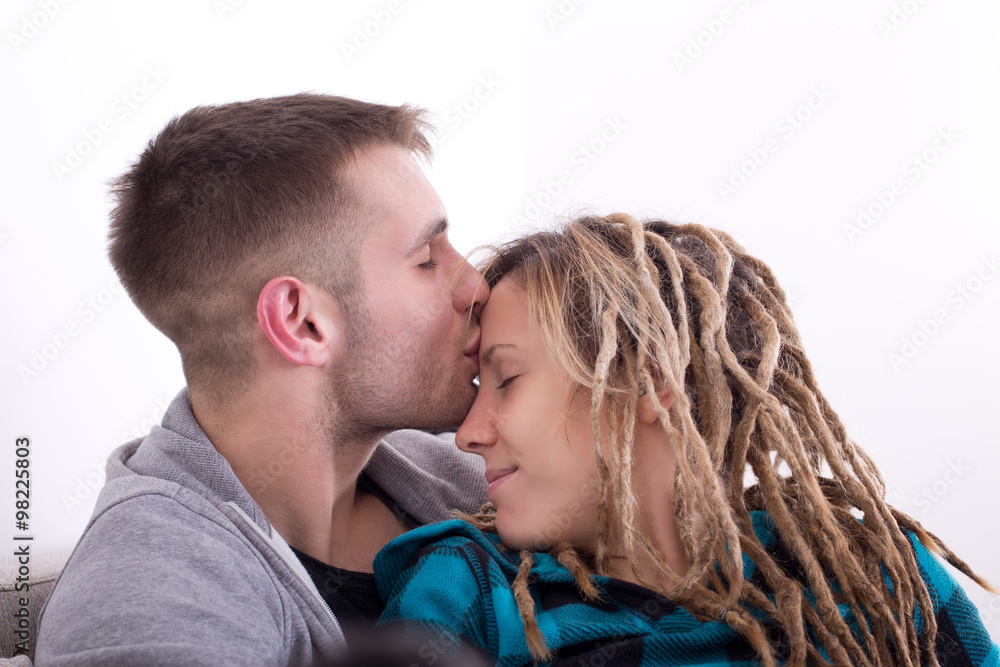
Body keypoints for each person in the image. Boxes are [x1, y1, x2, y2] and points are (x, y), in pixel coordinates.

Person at [375, 213, 999, 666]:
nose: (467, 435)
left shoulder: (871, 575)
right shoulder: (468, 595)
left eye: (507, 379)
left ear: (646, 379)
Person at [35, 94, 490, 666]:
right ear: (300, 322)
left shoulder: (483, 478)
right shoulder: (147, 594)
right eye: (427, 258)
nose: (476, 285)